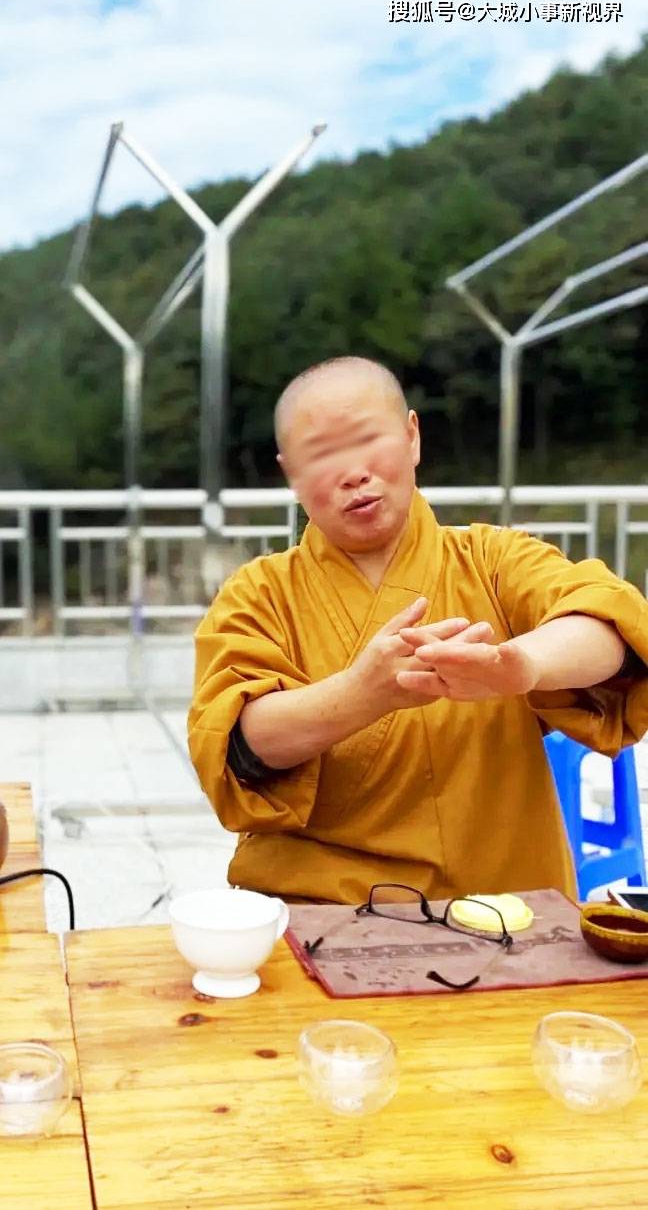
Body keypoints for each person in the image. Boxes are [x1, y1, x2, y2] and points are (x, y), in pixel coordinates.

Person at [187, 356, 648, 904]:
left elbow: (608, 625)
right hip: (323, 908)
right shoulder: (258, 593)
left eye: (367, 440)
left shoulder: (493, 559)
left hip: (504, 902)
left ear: (412, 437)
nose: (353, 472)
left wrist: (522, 665)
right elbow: (240, 741)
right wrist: (361, 695)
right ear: (292, 475)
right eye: (321, 456)